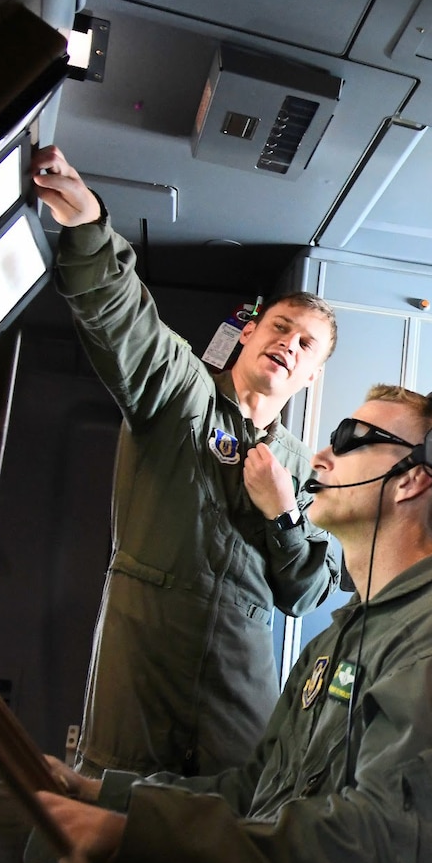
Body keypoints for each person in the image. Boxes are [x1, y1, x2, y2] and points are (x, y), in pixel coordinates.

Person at [37, 386, 432, 863]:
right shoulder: (338, 639)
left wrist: (134, 839)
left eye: (351, 440)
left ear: (411, 479)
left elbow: (395, 844)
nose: (319, 456)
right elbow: (253, 792)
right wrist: (101, 796)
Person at [31, 146, 341, 778]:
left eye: (306, 344)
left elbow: (308, 593)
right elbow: (128, 322)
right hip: (142, 666)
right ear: (249, 333)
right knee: (111, 810)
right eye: (280, 327)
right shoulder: (182, 392)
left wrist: (284, 513)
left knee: (225, 823)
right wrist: (89, 229)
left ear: (312, 375)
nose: (289, 343)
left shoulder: (304, 472)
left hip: (237, 687)